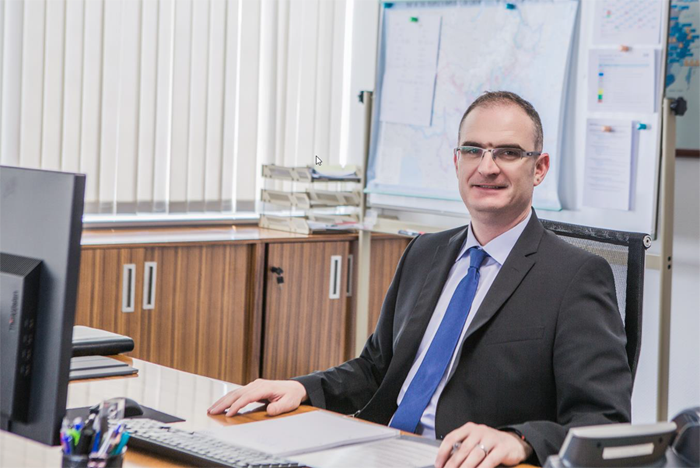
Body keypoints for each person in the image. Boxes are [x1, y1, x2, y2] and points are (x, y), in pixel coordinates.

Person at [208, 91, 632, 467]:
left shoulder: (576, 276)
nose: (487, 167)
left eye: (507, 152)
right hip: (379, 449)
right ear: (457, 162)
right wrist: (299, 388)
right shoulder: (425, 252)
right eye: (473, 150)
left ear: (539, 168)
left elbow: (604, 421)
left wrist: (520, 441)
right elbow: (375, 370)